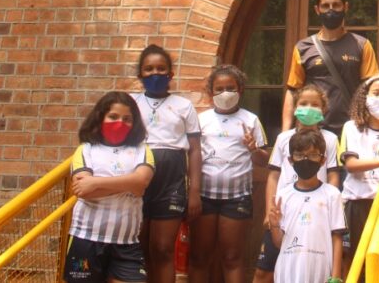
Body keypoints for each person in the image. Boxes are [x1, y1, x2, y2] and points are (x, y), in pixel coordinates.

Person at [65, 91, 155, 283]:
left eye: (127, 119)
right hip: (85, 239)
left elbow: (142, 183)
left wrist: (96, 182)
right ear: (100, 117)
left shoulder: (142, 150)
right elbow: (83, 190)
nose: (120, 123)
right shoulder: (86, 149)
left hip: (126, 243)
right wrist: (129, 183)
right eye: (113, 117)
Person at [189, 65, 269, 283]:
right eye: (219, 89)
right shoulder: (201, 119)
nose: (225, 93)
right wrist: (193, 193)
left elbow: (264, 161)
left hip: (237, 199)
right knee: (198, 256)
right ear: (211, 92)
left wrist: (253, 147)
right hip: (204, 197)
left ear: (240, 90)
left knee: (232, 257)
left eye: (230, 88)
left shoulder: (250, 120)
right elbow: (192, 155)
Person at [254, 84, 340, 283]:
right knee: (263, 271)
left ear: (324, 109)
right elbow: (273, 176)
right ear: (294, 107)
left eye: (315, 104)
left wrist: (332, 205)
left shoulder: (331, 139)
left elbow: (333, 174)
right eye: (303, 103)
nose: (309, 108)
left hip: (317, 210)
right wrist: (269, 210)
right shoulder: (283, 138)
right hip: (284, 210)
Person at [133, 45, 202, 283]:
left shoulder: (184, 106)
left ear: (170, 74)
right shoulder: (130, 103)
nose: (155, 73)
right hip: (137, 180)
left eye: (161, 69)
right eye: (149, 69)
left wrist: (194, 191)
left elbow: (194, 150)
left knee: (162, 249)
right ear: (140, 74)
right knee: (138, 247)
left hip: (171, 181)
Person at [283, 0, 379, 138]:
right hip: (312, 129)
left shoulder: (362, 45)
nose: (331, 10)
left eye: (336, 5)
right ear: (317, 9)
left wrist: (373, 129)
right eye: (325, 6)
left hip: (352, 129)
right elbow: (293, 90)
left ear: (345, 7)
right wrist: (286, 133)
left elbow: (372, 89)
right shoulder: (302, 48)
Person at [340, 75, 379, 281]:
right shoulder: (352, 127)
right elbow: (351, 165)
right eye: (376, 93)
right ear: (364, 97)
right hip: (358, 204)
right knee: (355, 265)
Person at [269, 128, 347, 283]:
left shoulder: (332, 194)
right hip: (288, 273)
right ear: (290, 160)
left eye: (312, 155)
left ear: (323, 160)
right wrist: (275, 225)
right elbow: (279, 243)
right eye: (299, 155)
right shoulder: (283, 195)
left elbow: (337, 237)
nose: (306, 159)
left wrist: (336, 277)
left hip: (321, 273)